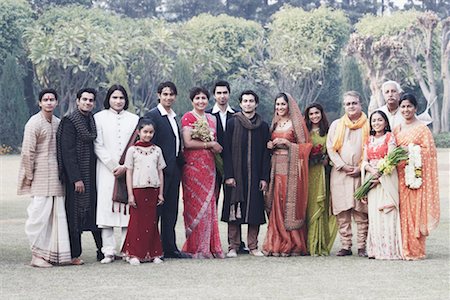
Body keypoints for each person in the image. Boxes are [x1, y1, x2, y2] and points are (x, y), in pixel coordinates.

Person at [18, 88, 71, 267]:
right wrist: (30, 175)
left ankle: (53, 255)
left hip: (56, 177)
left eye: (52, 99)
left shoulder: (57, 123)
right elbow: (27, 152)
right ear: (40, 103)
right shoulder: (34, 123)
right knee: (38, 216)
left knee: (56, 216)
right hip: (39, 176)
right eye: (45, 99)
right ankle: (36, 255)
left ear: (56, 102)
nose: (49, 102)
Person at [56, 88, 103, 265]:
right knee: (75, 215)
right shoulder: (70, 121)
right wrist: (76, 178)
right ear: (77, 101)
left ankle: (102, 250)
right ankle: (74, 254)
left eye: (91, 100)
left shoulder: (91, 120)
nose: (87, 103)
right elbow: (67, 152)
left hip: (91, 174)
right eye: (84, 99)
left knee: (93, 213)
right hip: (76, 177)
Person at [94, 84, 139, 264]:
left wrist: (125, 166)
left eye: (121, 98)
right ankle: (108, 251)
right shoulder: (99, 118)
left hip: (129, 171)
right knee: (107, 211)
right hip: (106, 171)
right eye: (114, 97)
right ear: (108, 99)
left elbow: (136, 144)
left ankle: (127, 249)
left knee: (128, 211)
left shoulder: (134, 119)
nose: (118, 101)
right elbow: (97, 144)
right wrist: (114, 166)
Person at [222, 90, 270, 258]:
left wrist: (264, 177)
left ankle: (253, 246)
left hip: (255, 175)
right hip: (235, 176)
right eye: (245, 101)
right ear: (240, 103)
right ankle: (233, 246)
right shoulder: (232, 123)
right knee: (234, 211)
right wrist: (228, 175)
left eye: (251, 101)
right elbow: (226, 151)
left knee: (254, 212)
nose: (248, 103)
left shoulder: (263, 126)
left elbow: (266, 153)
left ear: (256, 104)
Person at [263, 93, 312, 256]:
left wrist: (288, 144)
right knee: (275, 203)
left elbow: (306, 147)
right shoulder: (275, 123)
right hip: (275, 169)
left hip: (291, 171)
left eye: (282, 104)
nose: (279, 108)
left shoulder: (296, 123)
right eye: (277, 104)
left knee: (287, 204)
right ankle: (276, 243)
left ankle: (293, 244)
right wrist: (270, 145)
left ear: (289, 106)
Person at [144, 82, 188, 259]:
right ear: (158, 95)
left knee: (171, 210)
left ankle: (169, 247)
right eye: (165, 94)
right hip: (158, 170)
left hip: (174, 169)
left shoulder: (173, 116)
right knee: (156, 211)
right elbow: (148, 141)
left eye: (171, 94)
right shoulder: (153, 115)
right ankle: (155, 249)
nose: (168, 97)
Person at [393, 93, 439, 260]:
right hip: (399, 176)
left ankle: (416, 250)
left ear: (415, 108)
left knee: (415, 212)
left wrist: (411, 150)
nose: (406, 110)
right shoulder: (397, 128)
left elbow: (430, 153)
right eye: (403, 107)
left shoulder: (422, 129)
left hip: (415, 177)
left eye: (409, 106)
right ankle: (403, 248)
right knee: (402, 212)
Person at [180, 87, 224, 258]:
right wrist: (209, 145)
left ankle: (210, 247)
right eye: (197, 98)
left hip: (209, 167)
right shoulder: (188, 117)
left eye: (204, 98)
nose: (201, 101)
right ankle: (196, 247)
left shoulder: (212, 119)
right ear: (192, 101)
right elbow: (188, 143)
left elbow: (215, 141)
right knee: (194, 205)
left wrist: (215, 147)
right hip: (192, 167)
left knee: (209, 205)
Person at [206, 80, 248, 254]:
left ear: (229, 94)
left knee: (235, 202)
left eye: (225, 93)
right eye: (219, 93)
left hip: (235, 166)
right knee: (212, 204)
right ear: (214, 95)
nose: (222, 96)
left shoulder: (238, 115)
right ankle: (209, 243)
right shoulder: (207, 115)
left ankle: (237, 243)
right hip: (211, 165)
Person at [326, 91, 369, 257]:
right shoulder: (337, 125)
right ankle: (345, 246)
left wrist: (361, 167)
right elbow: (331, 148)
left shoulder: (369, 124)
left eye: (354, 103)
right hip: (340, 173)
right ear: (344, 106)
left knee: (361, 212)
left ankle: (362, 246)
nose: (351, 106)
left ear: (360, 104)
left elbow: (372, 147)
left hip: (361, 173)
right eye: (348, 104)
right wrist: (342, 165)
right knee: (342, 213)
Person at [122, 119, 165, 265]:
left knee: (152, 222)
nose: (148, 135)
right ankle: (134, 253)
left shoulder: (157, 150)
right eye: (145, 132)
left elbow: (160, 172)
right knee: (136, 222)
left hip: (153, 189)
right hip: (138, 189)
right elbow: (129, 172)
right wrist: (130, 194)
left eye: (151, 132)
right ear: (138, 132)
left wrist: (160, 192)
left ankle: (153, 253)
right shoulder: (132, 150)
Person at [363, 110, 403, 260]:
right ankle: (376, 250)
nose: (376, 123)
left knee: (387, 213)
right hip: (371, 181)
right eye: (374, 121)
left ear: (385, 122)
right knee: (374, 215)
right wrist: (371, 171)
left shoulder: (389, 137)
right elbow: (364, 161)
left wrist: (379, 175)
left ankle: (389, 250)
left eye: (380, 120)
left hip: (386, 181)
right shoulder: (369, 140)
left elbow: (391, 160)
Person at [304, 103, 337, 256]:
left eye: (317, 113)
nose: (314, 116)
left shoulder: (328, 132)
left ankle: (319, 243)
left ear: (321, 114)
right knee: (308, 206)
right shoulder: (304, 133)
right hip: (307, 173)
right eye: (311, 114)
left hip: (322, 173)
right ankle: (307, 243)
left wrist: (326, 159)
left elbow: (333, 151)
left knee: (320, 205)